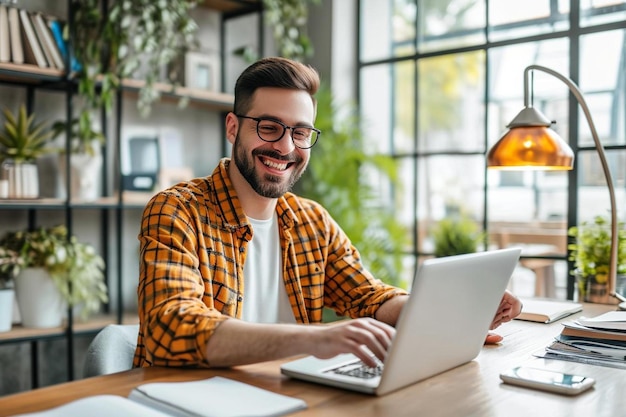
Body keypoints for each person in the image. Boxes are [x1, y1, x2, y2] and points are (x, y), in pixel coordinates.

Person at [133, 57, 522, 370]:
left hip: (286, 396)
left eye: (300, 132)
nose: (286, 147)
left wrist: (458, 310)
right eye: (269, 127)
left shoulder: (311, 221)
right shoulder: (177, 210)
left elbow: (369, 298)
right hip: (189, 400)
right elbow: (171, 326)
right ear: (233, 127)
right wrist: (315, 339)